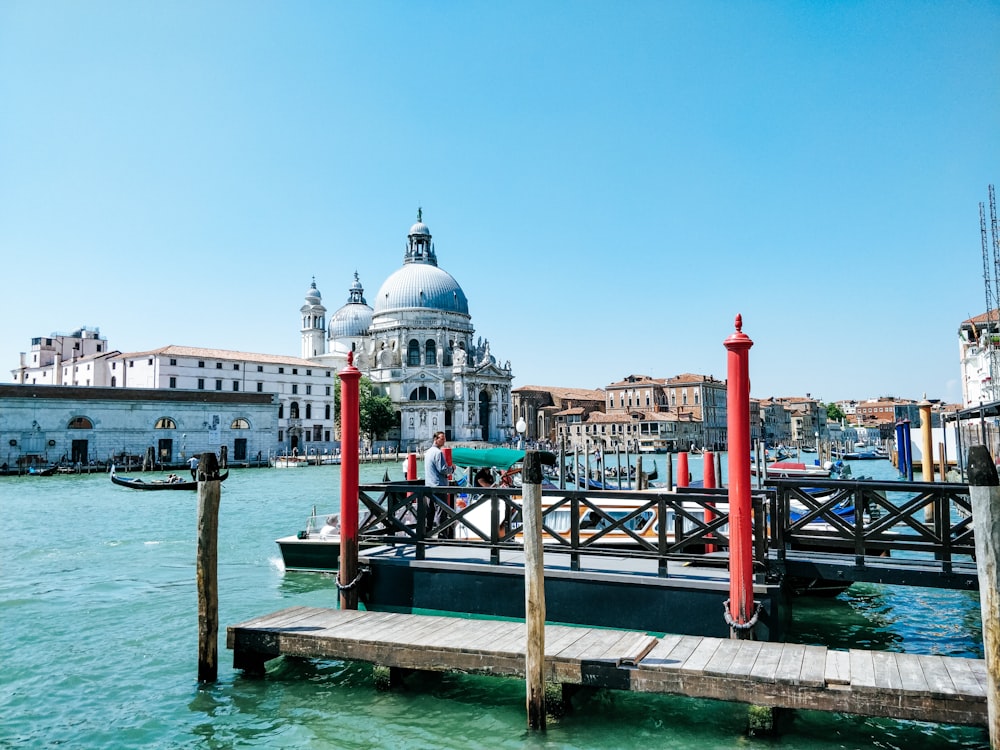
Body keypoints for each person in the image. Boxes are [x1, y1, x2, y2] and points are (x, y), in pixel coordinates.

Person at [423, 431, 452, 535]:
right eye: (442, 439)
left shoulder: (428, 452)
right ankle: (442, 535)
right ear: (436, 439)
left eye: (444, 439)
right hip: (439, 486)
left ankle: (427, 533)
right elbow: (443, 469)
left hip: (429, 486)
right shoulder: (438, 453)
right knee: (441, 512)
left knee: (430, 512)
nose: (444, 441)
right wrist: (452, 469)